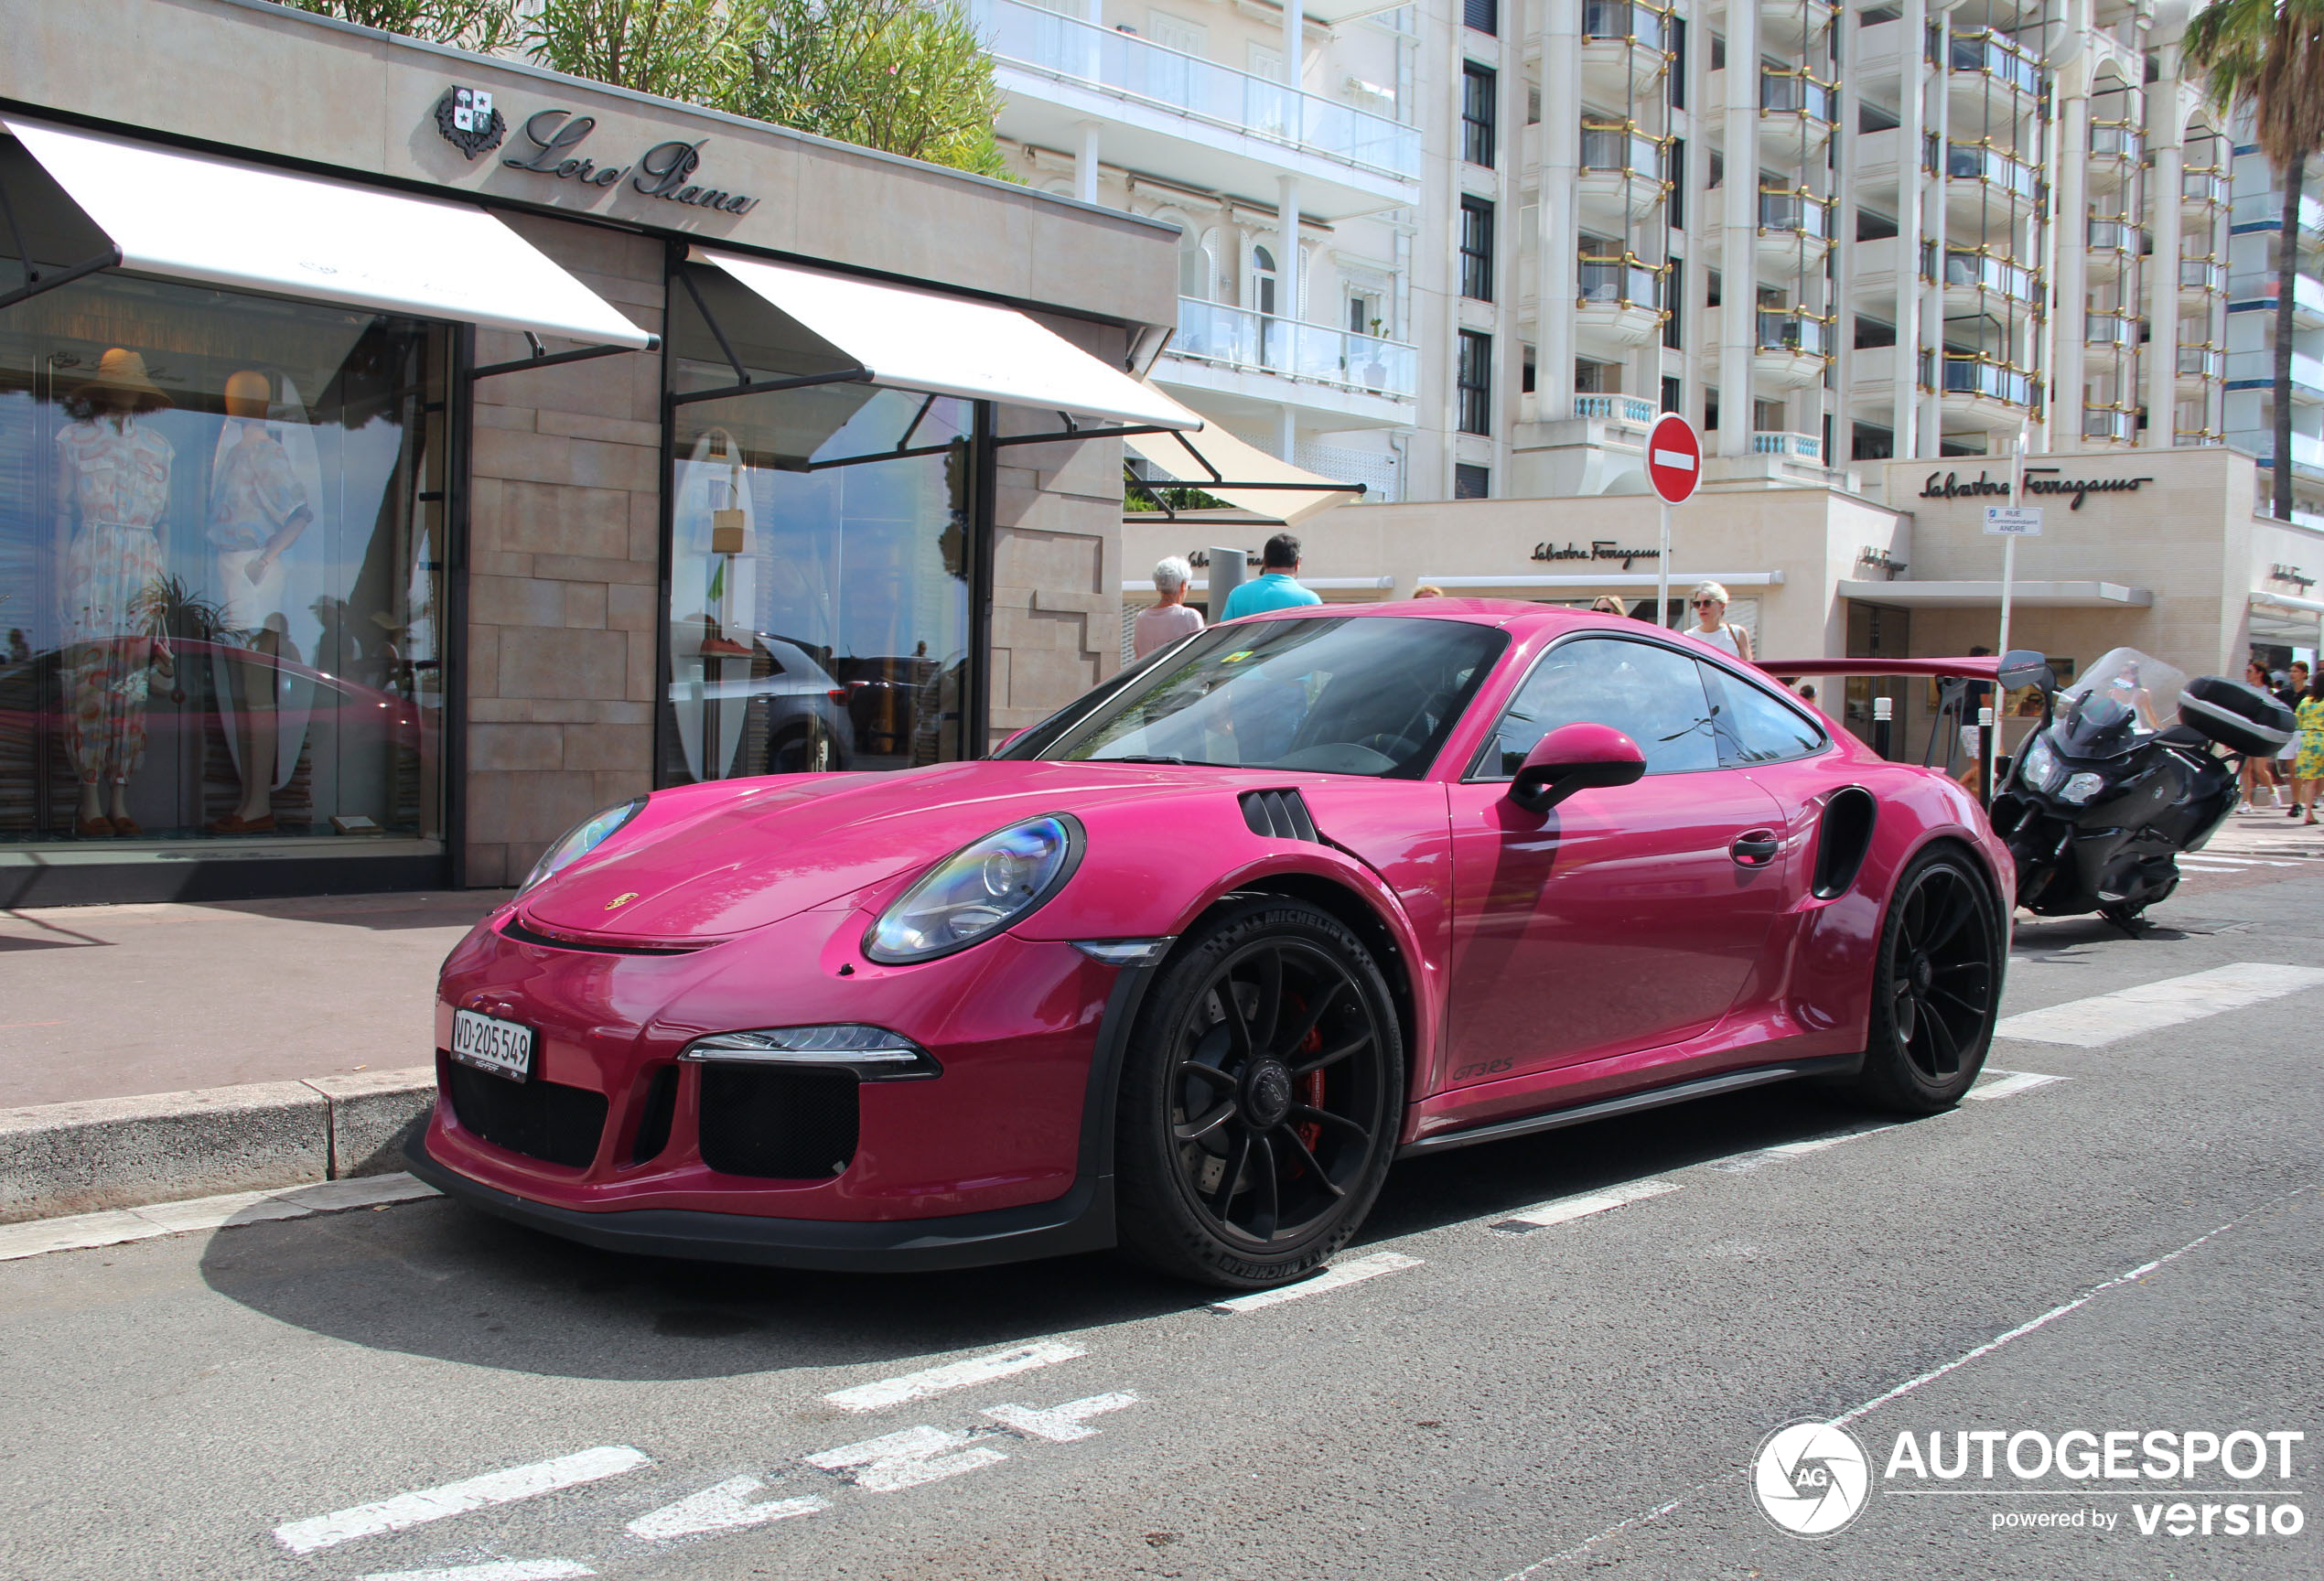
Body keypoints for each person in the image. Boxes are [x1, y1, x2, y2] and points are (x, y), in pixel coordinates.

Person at [1221, 532, 1322, 620]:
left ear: (1264, 561)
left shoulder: (1238, 594)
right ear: (1297, 562)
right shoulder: (1310, 600)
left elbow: (1222, 635)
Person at [1133, 554, 1203, 659]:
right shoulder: (1190, 616)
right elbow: (1199, 655)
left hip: (1148, 675)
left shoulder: (1142, 617)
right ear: (1183, 586)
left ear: (1157, 586)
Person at [2240, 660, 2284, 810]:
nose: (2247, 674)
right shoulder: (2245, 690)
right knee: (2245, 768)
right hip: (2247, 732)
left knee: (2259, 770)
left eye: (2250, 671)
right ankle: (2246, 802)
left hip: (2263, 734)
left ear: (2260, 674)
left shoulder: (2270, 693)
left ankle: (2272, 791)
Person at [1679, 581, 1752, 661]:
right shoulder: (1688, 637)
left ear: (1722, 605)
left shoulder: (1737, 634)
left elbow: (1749, 669)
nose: (1701, 607)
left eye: (1707, 603)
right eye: (1697, 604)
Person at [1955, 646, 1993, 792]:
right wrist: (1993, 720)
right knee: (1980, 766)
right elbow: (1985, 701)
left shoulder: (1967, 675)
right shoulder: (1982, 676)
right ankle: (1957, 789)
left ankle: (1969, 792)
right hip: (1977, 724)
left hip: (1966, 723)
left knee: (1977, 766)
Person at [2276, 662, 2306, 812]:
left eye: (2296, 671)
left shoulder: (2311, 693)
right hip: (2289, 733)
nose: (2292, 674)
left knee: (2297, 768)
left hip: (2305, 733)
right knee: (2292, 768)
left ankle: (2298, 802)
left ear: (2304, 674)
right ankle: (2296, 801)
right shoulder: (2284, 694)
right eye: (2291, 671)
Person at [2295, 669, 2324, 826]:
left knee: (2310, 780)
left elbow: (2297, 722)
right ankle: (2319, 800)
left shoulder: (2305, 702)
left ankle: (2308, 814)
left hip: (2308, 740)